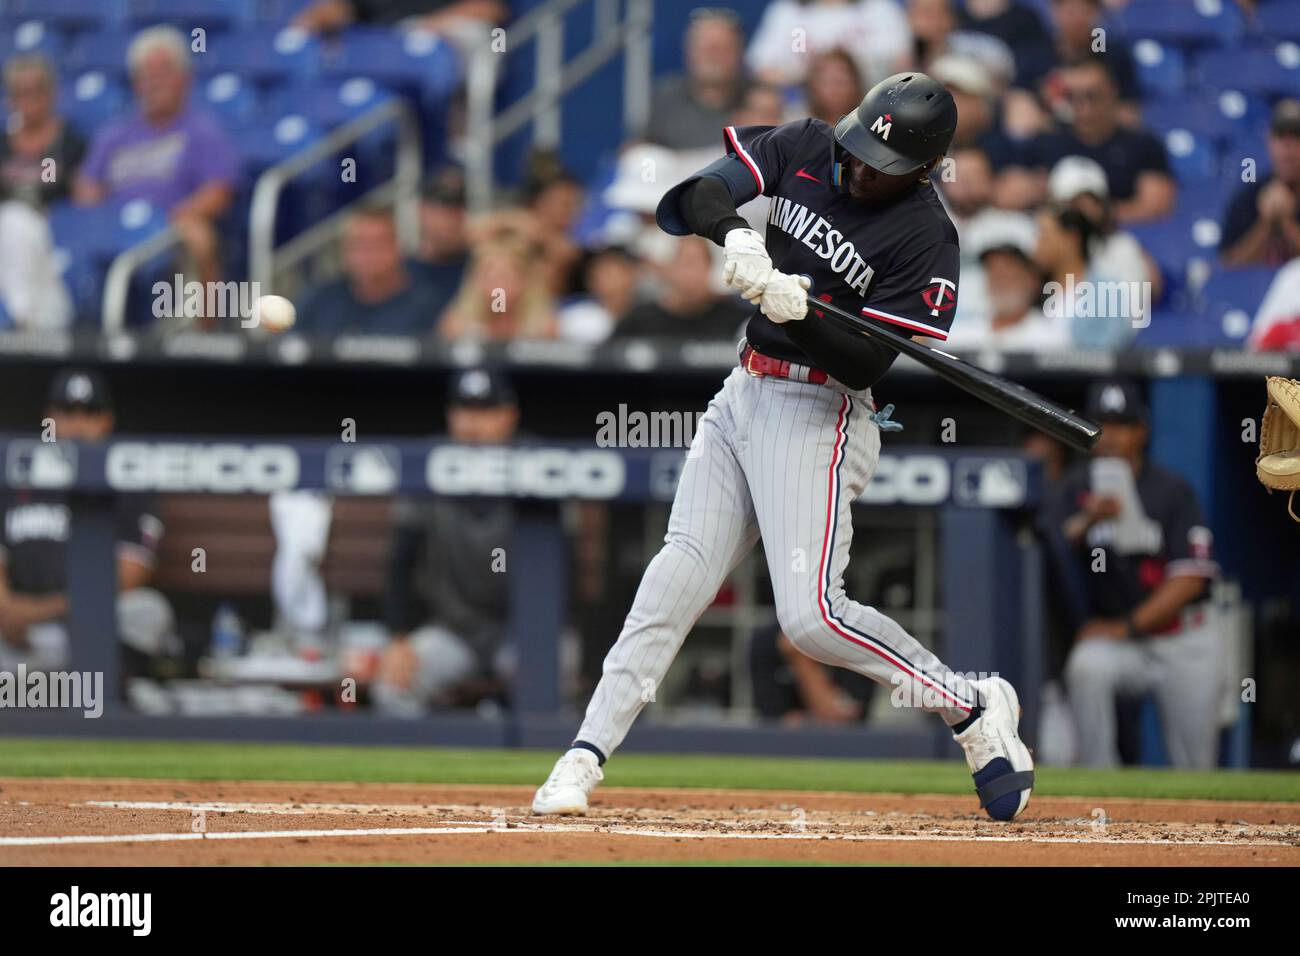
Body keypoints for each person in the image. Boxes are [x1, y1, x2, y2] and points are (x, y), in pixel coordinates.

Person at [532, 72, 1035, 822]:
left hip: (821, 411)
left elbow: (867, 363)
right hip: (743, 394)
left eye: (882, 167)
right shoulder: (807, 143)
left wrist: (796, 308)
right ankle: (583, 756)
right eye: (860, 150)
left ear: (926, 171)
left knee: (812, 619)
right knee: (673, 579)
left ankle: (969, 703)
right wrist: (735, 232)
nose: (861, 169)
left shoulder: (928, 235)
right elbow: (692, 197)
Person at [1051, 380, 1222, 768]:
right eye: (1101, 424)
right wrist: (1088, 520)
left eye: (1122, 425)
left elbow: (1190, 580)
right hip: (1125, 644)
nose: (1110, 436)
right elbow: (1051, 544)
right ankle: (1101, 784)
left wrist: (1126, 626)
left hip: (1183, 637)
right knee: (1087, 666)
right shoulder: (1076, 488)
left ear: (1141, 431)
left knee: (1195, 767)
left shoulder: (1172, 491)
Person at [0, 370, 175, 675]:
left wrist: (38, 611)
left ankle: (88, 699)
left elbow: (131, 573)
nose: (78, 425)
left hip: (91, 626)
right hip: (19, 636)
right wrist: (7, 610)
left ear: (107, 421)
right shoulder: (18, 472)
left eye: (90, 413)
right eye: (67, 413)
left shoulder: (129, 479)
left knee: (148, 611)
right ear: (48, 420)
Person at [374, 367, 518, 714]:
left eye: (485, 411)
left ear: (509, 416)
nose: (472, 423)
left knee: (546, 687)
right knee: (392, 688)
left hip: (522, 629)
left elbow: (563, 572)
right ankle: (431, 766)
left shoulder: (540, 463)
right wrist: (397, 639)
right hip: (453, 632)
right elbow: (400, 562)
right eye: (464, 410)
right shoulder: (428, 465)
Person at [73, 26, 239, 289]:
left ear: (185, 78)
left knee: (200, 237)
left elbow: (219, 190)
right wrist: (100, 216)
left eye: (162, 74)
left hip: (169, 227)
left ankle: (205, 328)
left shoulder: (203, 132)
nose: (153, 83)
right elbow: (88, 185)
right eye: (145, 76)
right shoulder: (114, 135)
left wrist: (172, 219)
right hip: (116, 225)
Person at [999, 59, 1175, 223]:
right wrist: (1033, 191)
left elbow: (1156, 207)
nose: (1084, 108)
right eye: (1073, 97)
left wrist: (1093, 216)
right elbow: (1006, 197)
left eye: (1092, 96)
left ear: (1112, 92)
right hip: (1054, 238)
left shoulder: (1142, 145)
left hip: (1119, 240)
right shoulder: (1044, 142)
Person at [297, 205, 448, 335]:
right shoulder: (321, 299)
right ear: (344, 251)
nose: (369, 254)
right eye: (359, 245)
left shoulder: (427, 305)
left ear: (398, 248)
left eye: (379, 244)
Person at [644, 9, 749, 152]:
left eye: (722, 49)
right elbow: (641, 151)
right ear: (689, 53)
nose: (713, 58)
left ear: (739, 53)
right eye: (706, 49)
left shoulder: (758, 98)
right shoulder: (666, 97)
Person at [748, 0, 911, 89]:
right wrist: (807, 76)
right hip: (800, 108)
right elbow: (759, 68)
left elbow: (902, 65)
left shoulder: (879, 8)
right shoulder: (787, 10)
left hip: (868, 107)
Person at [611, 235, 748, 341]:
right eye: (686, 263)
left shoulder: (734, 317)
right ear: (670, 268)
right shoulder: (640, 319)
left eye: (699, 264)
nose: (691, 274)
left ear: (710, 268)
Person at [1220, 99, 1300, 268]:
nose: (1287, 147)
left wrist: (1286, 222)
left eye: (1295, 137)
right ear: (1269, 141)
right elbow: (1228, 270)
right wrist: (1265, 224)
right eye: (1281, 136)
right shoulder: (1249, 196)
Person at [0, 54, 86, 207]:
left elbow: (83, 196)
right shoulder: (2, 145)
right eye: (20, 93)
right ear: (10, 100)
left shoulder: (72, 144)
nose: (28, 101)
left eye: (35, 91)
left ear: (52, 93)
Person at [802, 49, 866, 128]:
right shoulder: (804, 133)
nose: (835, 90)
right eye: (826, 82)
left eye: (841, 82)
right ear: (814, 87)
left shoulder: (871, 129)